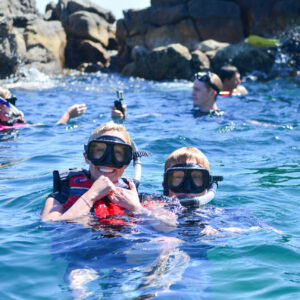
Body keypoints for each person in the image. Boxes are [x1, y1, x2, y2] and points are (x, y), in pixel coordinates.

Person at [41, 121, 176, 231]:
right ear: (87, 157)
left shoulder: (135, 196)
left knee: (167, 243)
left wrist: (137, 208)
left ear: (126, 163)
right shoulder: (63, 193)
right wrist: (91, 195)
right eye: (99, 151)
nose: (108, 160)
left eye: (118, 154)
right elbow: (49, 225)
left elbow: (171, 226)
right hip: (82, 254)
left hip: (126, 252)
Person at [0, 86, 86, 127]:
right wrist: (68, 115)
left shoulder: (13, 122)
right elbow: (55, 129)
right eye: (11, 103)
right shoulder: (10, 127)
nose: (13, 108)